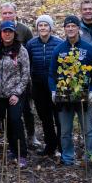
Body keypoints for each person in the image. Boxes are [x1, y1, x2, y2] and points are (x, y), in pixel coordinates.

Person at [48, 16, 92, 165]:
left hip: (83, 93)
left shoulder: (88, 48)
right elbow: (51, 74)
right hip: (64, 94)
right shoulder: (59, 49)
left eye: (73, 26)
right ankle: (68, 158)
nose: (70, 29)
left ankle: (91, 157)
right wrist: (53, 91)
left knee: (88, 130)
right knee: (65, 131)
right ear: (64, 29)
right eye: (67, 26)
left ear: (78, 28)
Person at [0, 2, 37, 149]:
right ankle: (12, 147)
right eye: (4, 13)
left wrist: (20, 89)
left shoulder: (24, 31)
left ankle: (29, 138)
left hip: (20, 84)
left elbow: (30, 52)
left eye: (9, 13)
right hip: (1, 90)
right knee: (6, 119)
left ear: (15, 14)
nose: (7, 15)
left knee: (24, 113)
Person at [0, 21, 31, 168]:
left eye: (10, 31)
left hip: (15, 93)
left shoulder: (21, 51)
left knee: (15, 120)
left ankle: (22, 154)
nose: (7, 34)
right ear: (0, 34)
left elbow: (26, 74)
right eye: (4, 31)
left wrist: (16, 93)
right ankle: (13, 150)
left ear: (14, 33)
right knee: (5, 122)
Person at [26, 15, 63, 157]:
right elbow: (27, 63)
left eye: (45, 25)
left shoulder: (59, 43)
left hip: (56, 86)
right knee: (45, 118)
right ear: (37, 28)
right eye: (40, 25)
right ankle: (50, 146)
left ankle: (62, 147)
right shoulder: (31, 44)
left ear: (51, 27)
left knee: (59, 118)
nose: (42, 28)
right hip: (38, 86)